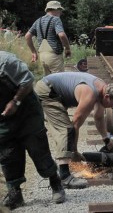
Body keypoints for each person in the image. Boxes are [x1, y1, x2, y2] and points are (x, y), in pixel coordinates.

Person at [34, 72, 113, 189]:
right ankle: (65, 177)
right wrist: (75, 152)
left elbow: (98, 117)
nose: (112, 108)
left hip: (55, 91)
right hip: (47, 91)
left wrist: (106, 139)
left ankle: (64, 160)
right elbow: (75, 125)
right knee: (66, 130)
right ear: (107, 97)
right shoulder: (90, 94)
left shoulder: (103, 90)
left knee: (67, 130)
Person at [0, 51, 65, 210]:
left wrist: (16, 101)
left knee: (38, 148)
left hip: (26, 110)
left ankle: (55, 182)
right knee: (7, 153)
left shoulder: (5, 62)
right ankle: (15, 193)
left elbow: (28, 81)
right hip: (2, 117)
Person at [25, 0, 71, 76]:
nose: (61, 13)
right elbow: (62, 35)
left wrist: (33, 52)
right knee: (59, 80)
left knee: (48, 80)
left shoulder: (38, 21)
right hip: (54, 55)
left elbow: (27, 36)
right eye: (60, 10)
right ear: (56, 9)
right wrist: (67, 48)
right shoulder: (56, 19)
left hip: (42, 55)